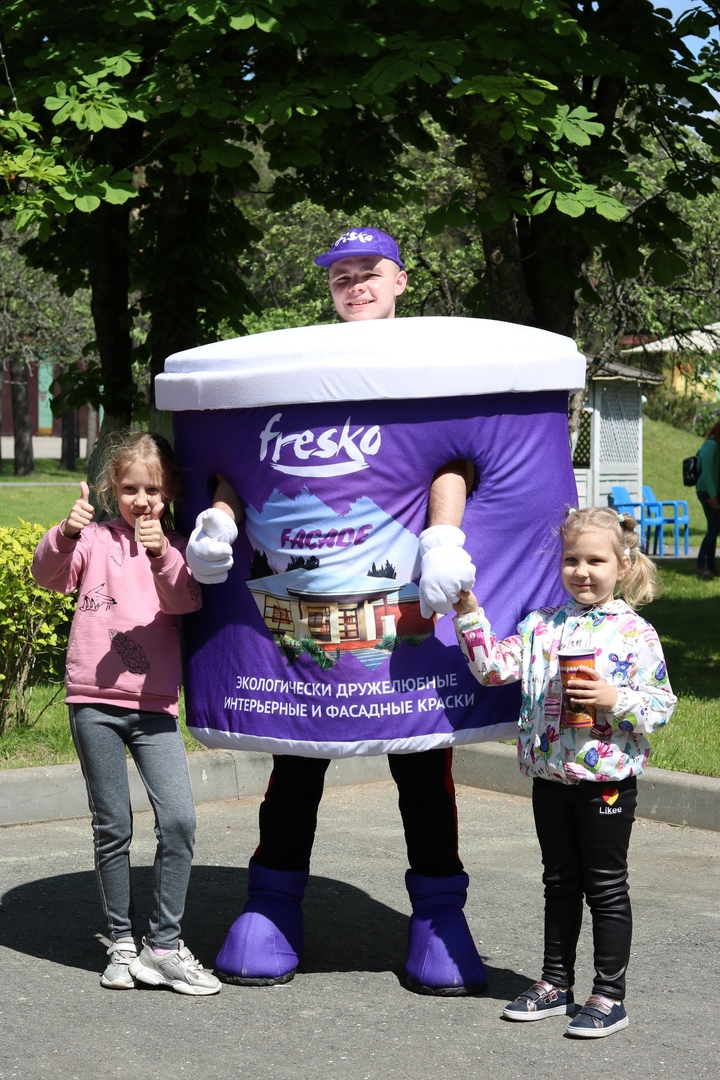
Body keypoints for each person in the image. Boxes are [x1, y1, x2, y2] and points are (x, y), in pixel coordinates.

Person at [187, 226, 485, 996]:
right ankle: (271, 903)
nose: (354, 285)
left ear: (401, 280)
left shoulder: (434, 362)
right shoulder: (300, 369)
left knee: (423, 768)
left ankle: (440, 915)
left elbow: (454, 455)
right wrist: (220, 517)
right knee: (296, 764)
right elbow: (244, 457)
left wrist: (444, 538)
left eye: (368, 272)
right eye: (341, 276)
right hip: (307, 620)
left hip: (404, 611)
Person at [452, 506, 676, 1038]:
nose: (582, 571)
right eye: (572, 559)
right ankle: (556, 983)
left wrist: (613, 697)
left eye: (596, 560)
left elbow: (662, 706)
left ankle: (610, 995)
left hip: (607, 783)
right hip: (551, 778)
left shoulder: (635, 632)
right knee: (558, 882)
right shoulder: (540, 626)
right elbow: (492, 670)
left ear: (622, 565)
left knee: (605, 886)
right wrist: (468, 612)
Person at [31, 431, 221, 996]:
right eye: (131, 489)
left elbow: (185, 599)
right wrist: (65, 532)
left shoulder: (178, 548)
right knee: (113, 825)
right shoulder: (92, 540)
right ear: (113, 489)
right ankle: (120, 943)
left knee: (179, 822)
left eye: (153, 490)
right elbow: (48, 575)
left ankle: (162, 946)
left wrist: (161, 552)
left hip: (154, 706)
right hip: (92, 702)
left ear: (170, 492)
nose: (141, 500)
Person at [695, 419, 720, 579]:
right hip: (706, 491)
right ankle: (700, 565)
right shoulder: (711, 446)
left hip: (711, 492)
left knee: (714, 528)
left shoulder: (715, 445)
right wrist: (713, 496)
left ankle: (711, 565)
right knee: (714, 528)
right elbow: (708, 473)